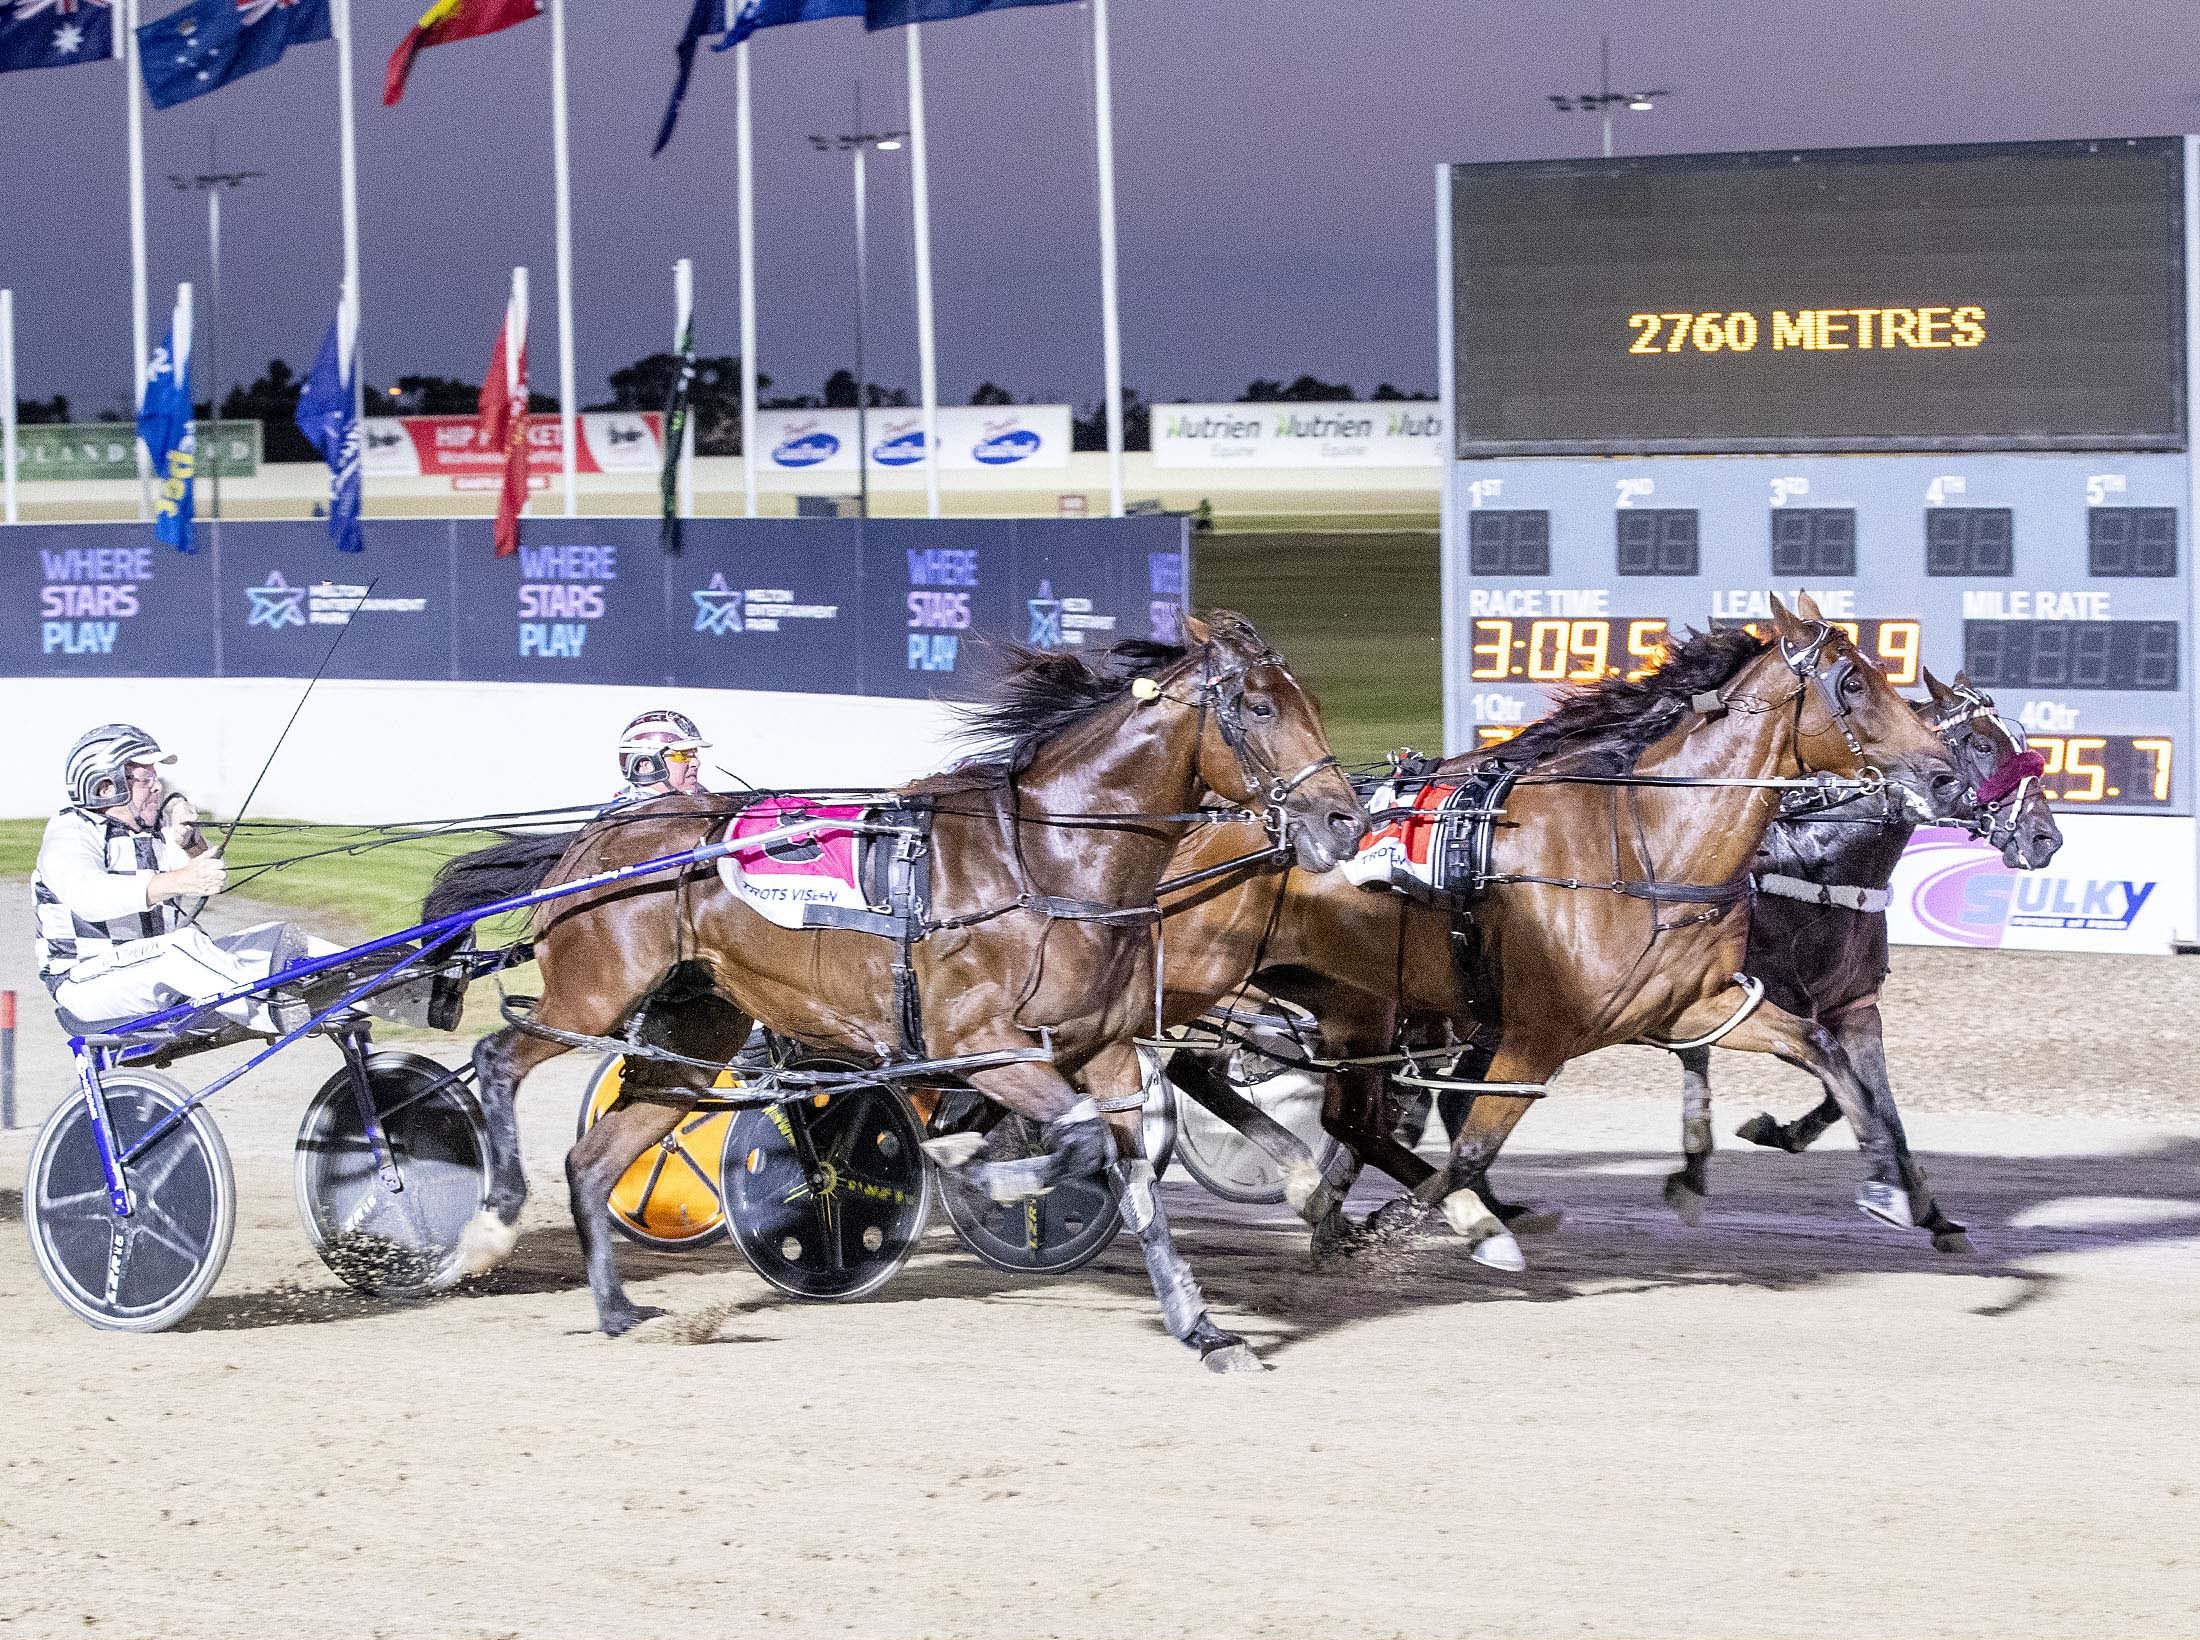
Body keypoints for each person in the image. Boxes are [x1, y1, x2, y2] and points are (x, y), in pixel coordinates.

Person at [32, 724, 333, 1034]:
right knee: (181, 946)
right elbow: (88, 896)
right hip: (86, 983)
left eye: (156, 777)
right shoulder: (70, 831)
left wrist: (190, 842)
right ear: (105, 786)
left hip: (150, 969)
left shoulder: (149, 830)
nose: (157, 787)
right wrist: (180, 880)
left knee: (277, 938)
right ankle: (272, 1008)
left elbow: (207, 876)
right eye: (146, 779)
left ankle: (362, 989)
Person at [603, 708, 712, 813]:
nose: (696, 763)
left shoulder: (704, 797)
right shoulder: (626, 816)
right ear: (647, 765)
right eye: (681, 755)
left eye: (694, 754)